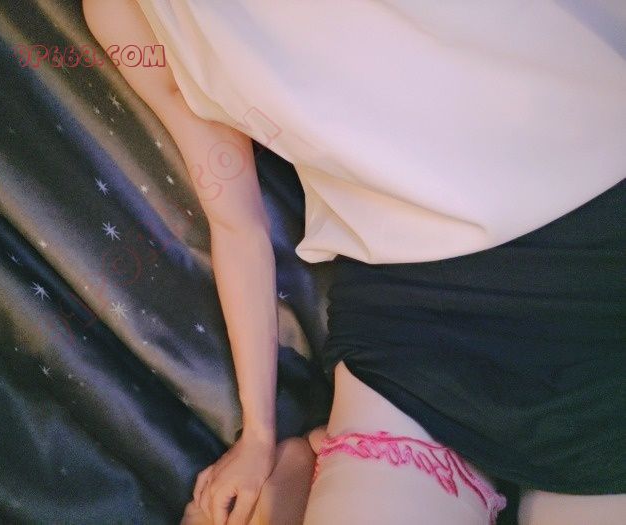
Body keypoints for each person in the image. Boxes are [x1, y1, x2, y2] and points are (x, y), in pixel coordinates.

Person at [82, 1, 626, 523]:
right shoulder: (123, 12)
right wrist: (258, 435)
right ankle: (299, 474)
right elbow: (235, 222)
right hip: (408, 320)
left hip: (601, 252)